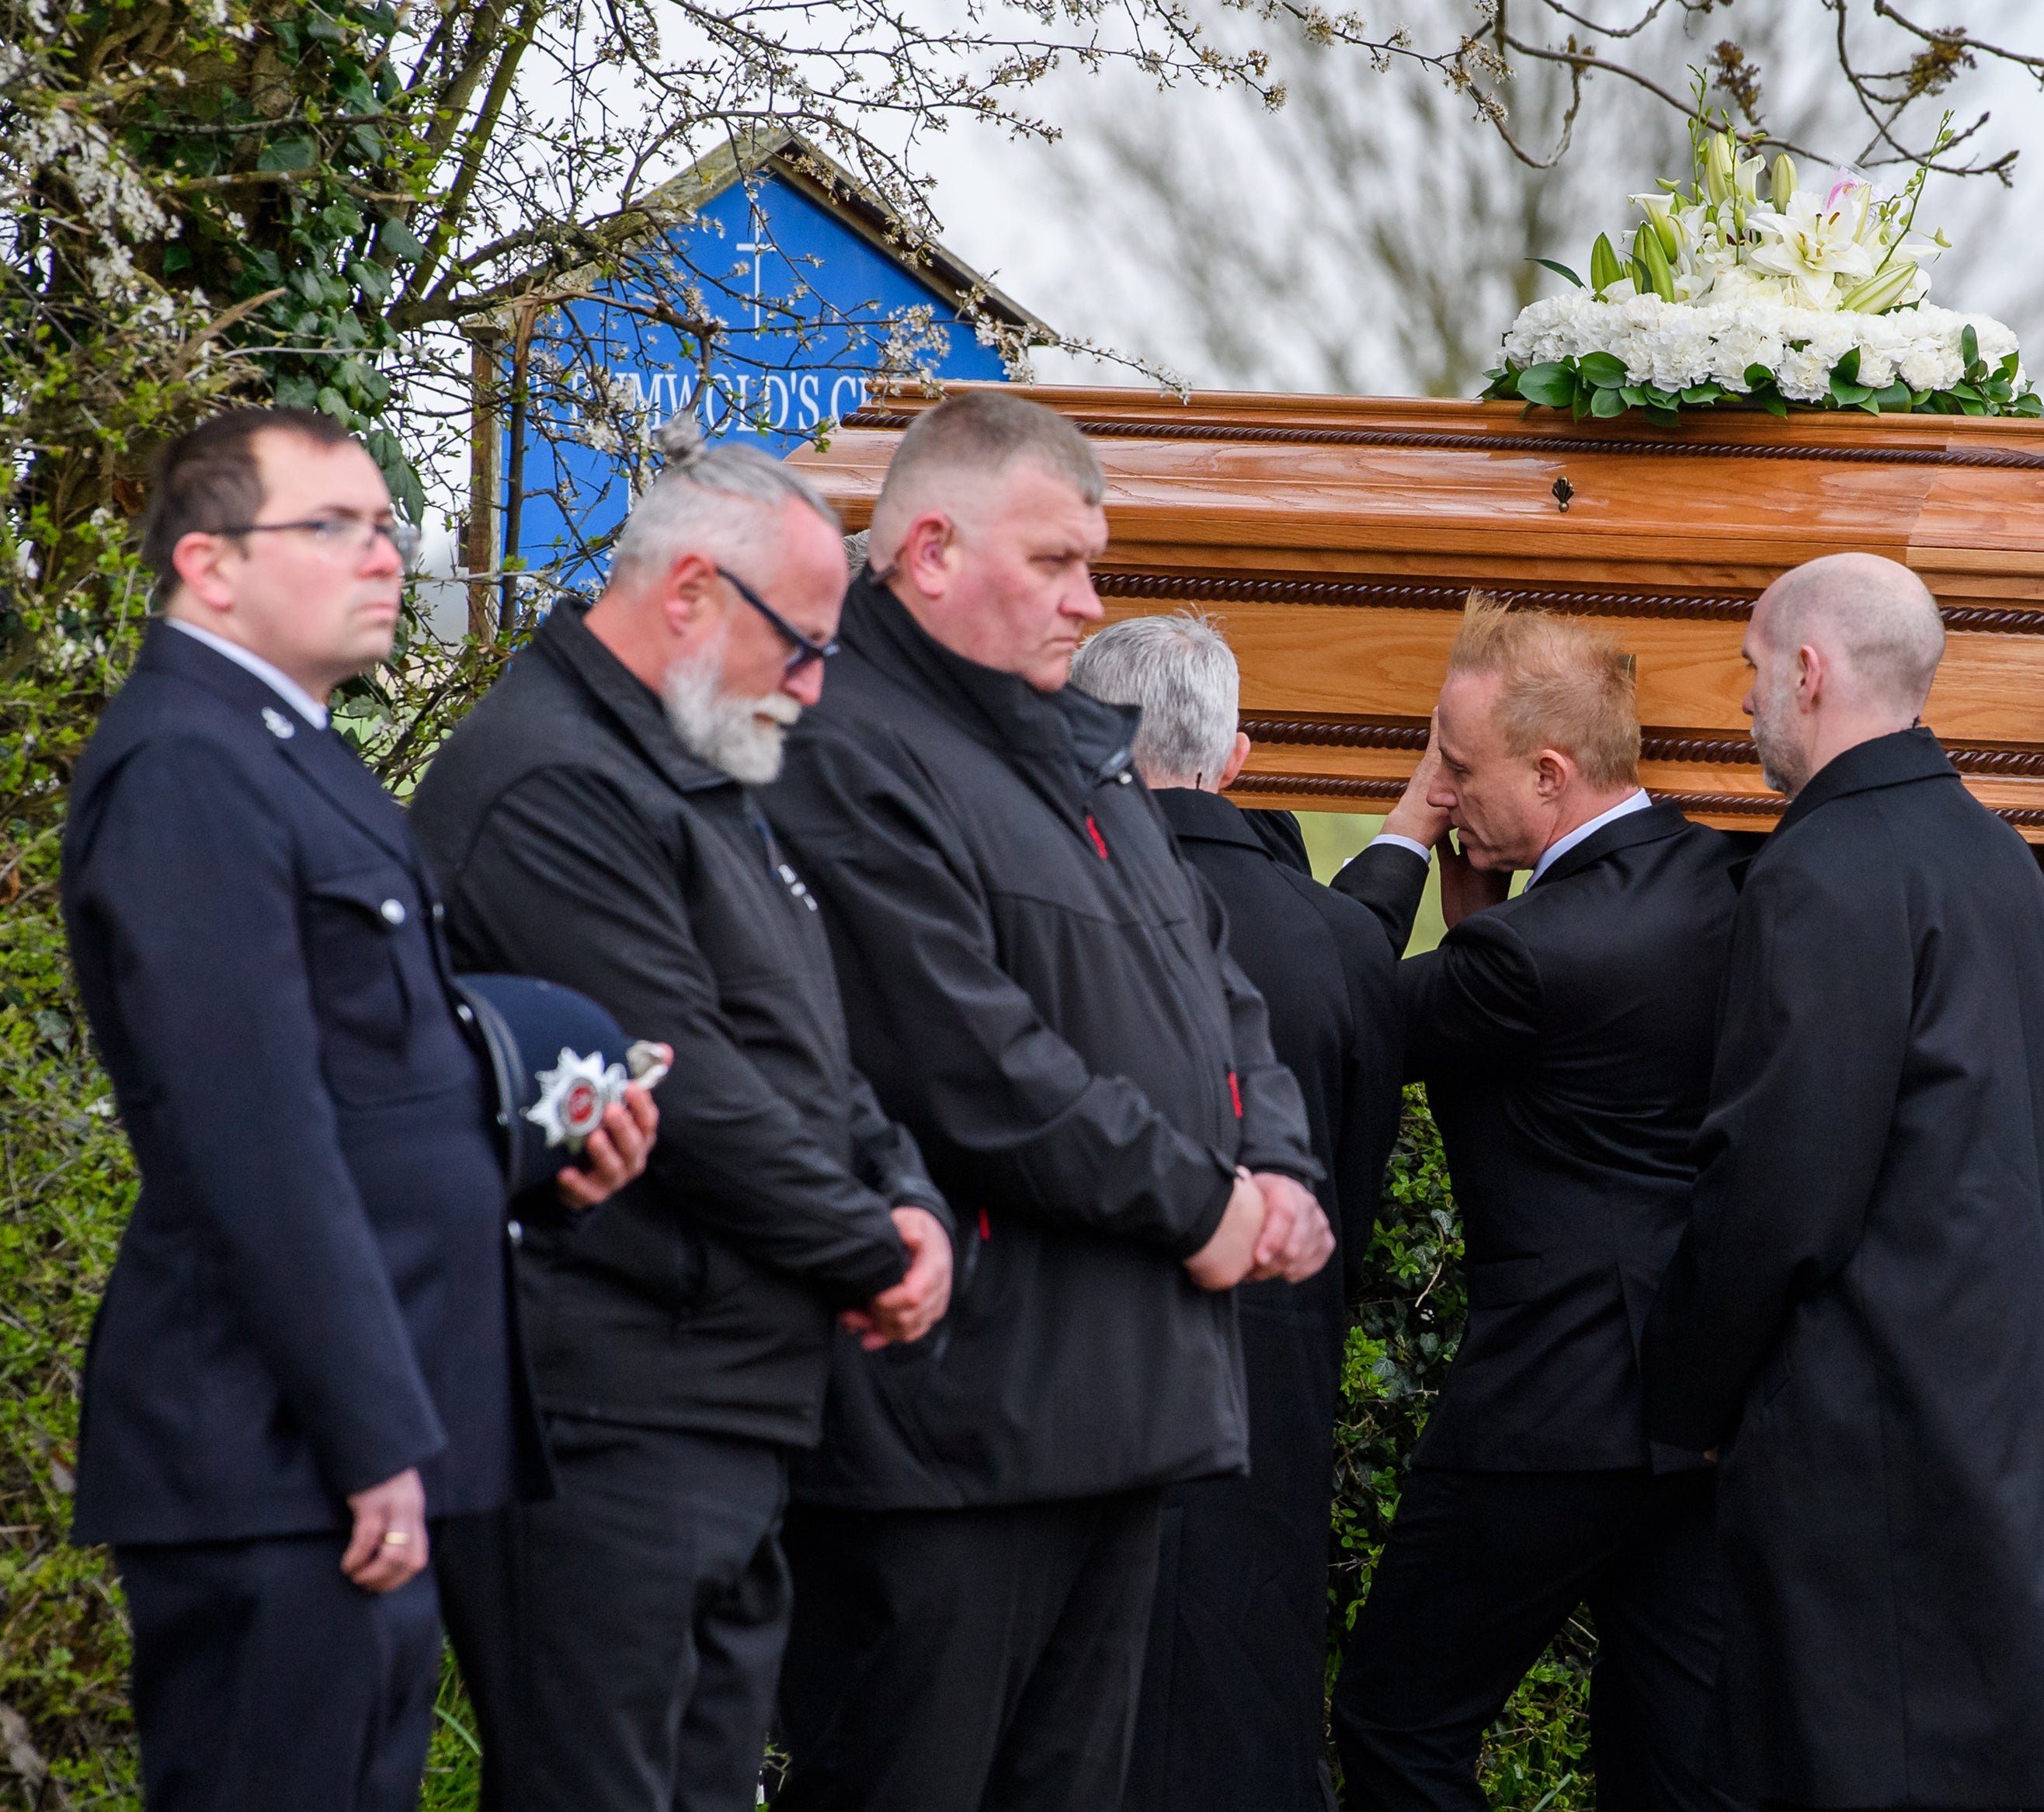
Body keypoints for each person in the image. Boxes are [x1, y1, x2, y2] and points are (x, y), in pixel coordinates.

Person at [65, 406, 651, 1812]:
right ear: (208, 564)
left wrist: (530, 1138)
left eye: (389, 525)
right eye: (334, 527)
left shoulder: (288, 750)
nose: (384, 555)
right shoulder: (189, 767)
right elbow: (250, 1128)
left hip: (338, 1434)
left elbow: (372, 1074)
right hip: (280, 1445)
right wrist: (368, 1432)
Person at [760, 390, 1333, 1812]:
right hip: (957, 1415)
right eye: (1058, 562)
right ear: (934, 550)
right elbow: (964, 1057)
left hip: (1119, 1390)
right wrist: (1203, 1202)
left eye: (1094, 563)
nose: (1090, 599)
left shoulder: (1075, 749)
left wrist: (1276, 1160)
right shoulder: (844, 748)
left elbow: (1218, 982)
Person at [409, 424, 954, 1812]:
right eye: (806, 639)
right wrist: (871, 1249)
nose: (818, 684)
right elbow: (689, 1079)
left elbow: (811, 1046)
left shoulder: (699, 773)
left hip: (718, 1395)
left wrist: (909, 1200)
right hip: (602, 1401)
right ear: (693, 590)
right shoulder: (551, 779)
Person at [1636, 551, 2044, 1811]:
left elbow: (1777, 1187)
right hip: (1986, 1399)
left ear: (1808, 673)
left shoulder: (1820, 870)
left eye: (1754, 669)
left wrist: (1681, 1392)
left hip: (1858, 1430)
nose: (1743, 699)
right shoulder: (1989, 853)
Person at [1326, 596, 1748, 1812]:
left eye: (1460, 767)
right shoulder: (1725, 878)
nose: (1447, 789)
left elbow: (1331, 1004)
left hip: (1553, 1402)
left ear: (1551, 772)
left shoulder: (1527, 959)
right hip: (1697, 1401)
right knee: (1671, 1751)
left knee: (1397, 1717)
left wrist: (1405, 828)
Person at [1070, 612, 1406, 1812]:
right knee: (1240, 1714)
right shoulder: (1340, 941)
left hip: (1069, 1381)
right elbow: (1350, 1191)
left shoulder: (1042, 900)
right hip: (1274, 1374)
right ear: (1239, 757)